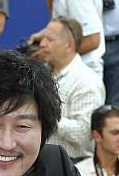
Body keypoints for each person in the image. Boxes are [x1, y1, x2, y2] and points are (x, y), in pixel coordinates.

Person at [37, 17, 105, 162]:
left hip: (71, 164)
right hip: (38, 160)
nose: (42, 44)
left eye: (50, 39)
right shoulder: (41, 74)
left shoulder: (87, 81)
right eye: (42, 38)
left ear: (69, 44)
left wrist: (41, 118)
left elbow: (83, 133)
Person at [31, 0, 104, 78]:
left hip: (81, 73)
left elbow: (93, 41)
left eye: (49, 39)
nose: (43, 44)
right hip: (64, 71)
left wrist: (49, 53)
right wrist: (41, 35)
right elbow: (62, 26)